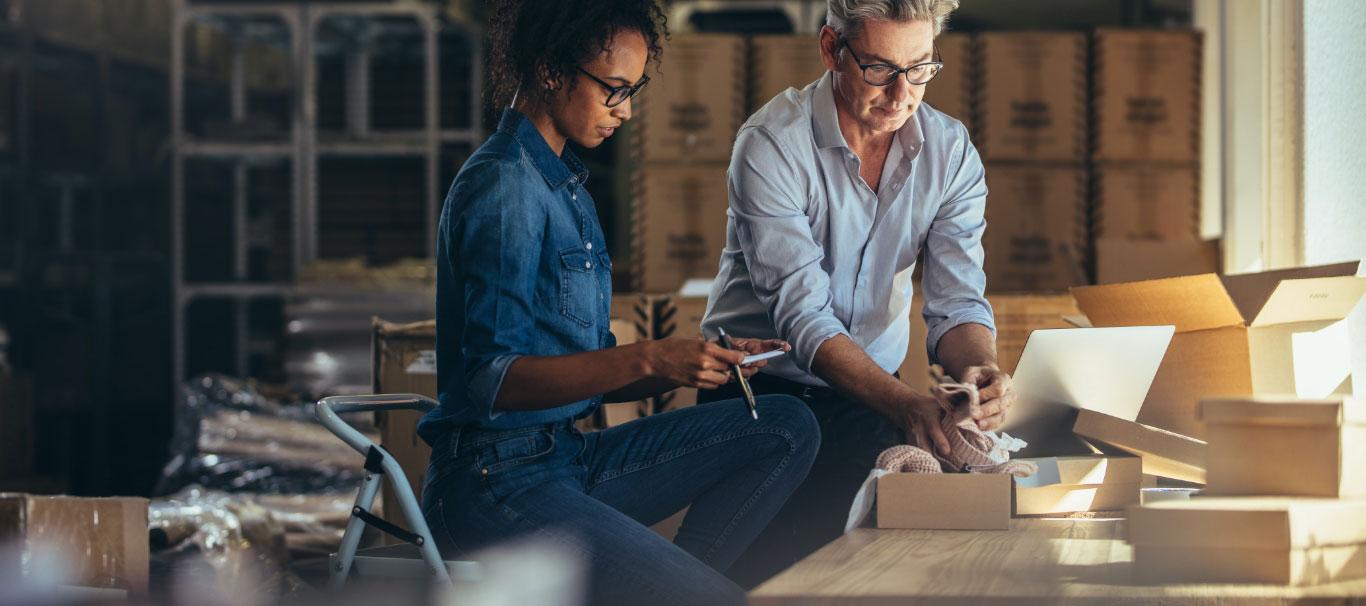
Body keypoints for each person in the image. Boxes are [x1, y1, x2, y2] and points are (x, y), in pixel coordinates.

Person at [416, 1, 819, 604]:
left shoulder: (565, 186)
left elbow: (590, 373)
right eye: (612, 90)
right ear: (552, 71)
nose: (625, 110)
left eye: (633, 90)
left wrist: (703, 358)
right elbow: (489, 382)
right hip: (493, 481)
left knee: (787, 425)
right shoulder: (505, 186)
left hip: (567, 457)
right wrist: (653, 360)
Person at [698, 0, 1016, 587]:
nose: (901, 95)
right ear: (830, 49)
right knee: (746, 587)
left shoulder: (949, 153)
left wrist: (980, 371)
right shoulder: (771, 144)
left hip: (870, 404)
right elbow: (806, 319)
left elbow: (959, 302)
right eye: (879, 69)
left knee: (859, 585)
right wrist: (904, 402)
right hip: (757, 399)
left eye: (919, 69)